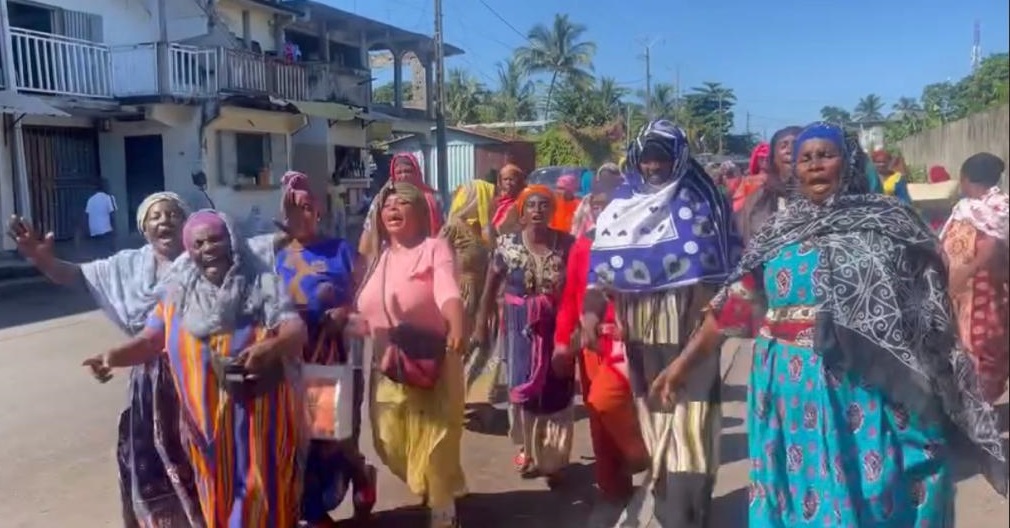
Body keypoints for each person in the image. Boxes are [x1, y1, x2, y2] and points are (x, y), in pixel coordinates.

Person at [656, 123, 1008, 527]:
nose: (815, 165)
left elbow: (928, 311)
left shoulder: (891, 224)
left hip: (869, 390)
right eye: (806, 158)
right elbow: (733, 307)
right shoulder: (777, 233)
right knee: (799, 494)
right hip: (789, 390)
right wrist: (680, 366)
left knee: (883, 491)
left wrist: (939, 386)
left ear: (850, 161)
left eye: (826, 155)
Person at [83, 209, 309, 528]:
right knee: (216, 493)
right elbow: (150, 341)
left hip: (261, 418)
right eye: (199, 243)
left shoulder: (261, 283)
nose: (208, 248)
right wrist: (111, 357)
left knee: (260, 491)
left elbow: (295, 330)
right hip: (204, 424)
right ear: (189, 250)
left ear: (231, 242)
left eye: (216, 239)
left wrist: (271, 347)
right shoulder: (176, 295)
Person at [7, 194, 201, 527]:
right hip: (149, 382)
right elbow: (75, 275)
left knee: (199, 459)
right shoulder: (126, 266)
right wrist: (42, 260)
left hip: (198, 377)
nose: (165, 221)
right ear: (144, 227)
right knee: (150, 459)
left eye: (173, 214)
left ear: (186, 224)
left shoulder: (206, 261)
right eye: (155, 216)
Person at [583, 120, 738, 527]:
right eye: (647, 157)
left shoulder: (703, 201)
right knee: (658, 440)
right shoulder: (621, 204)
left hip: (692, 345)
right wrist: (589, 313)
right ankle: (675, 515)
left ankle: (686, 516)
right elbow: (600, 271)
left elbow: (719, 282)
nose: (653, 165)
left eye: (662, 156)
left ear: (679, 157)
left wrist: (694, 349)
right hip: (640, 345)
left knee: (691, 443)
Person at [351, 181, 467, 528]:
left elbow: (447, 289)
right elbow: (363, 310)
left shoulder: (435, 248)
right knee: (388, 443)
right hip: (387, 368)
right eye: (387, 205)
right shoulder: (377, 258)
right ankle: (433, 484)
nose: (393, 209)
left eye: (403, 203)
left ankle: (443, 509)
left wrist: (456, 320)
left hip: (434, 362)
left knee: (436, 442)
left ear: (420, 212)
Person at [271, 172, 377, 527]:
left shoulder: (339, 251)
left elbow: (368, 296)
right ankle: (311, 511)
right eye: (291, 208)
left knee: (332, 435)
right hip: (287, 362)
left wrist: (346, 310)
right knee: (296, 439)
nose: (300, 215)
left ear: (318, 211)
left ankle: (360, 475)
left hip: (328, 356)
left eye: (306, 206)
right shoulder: (271, 257)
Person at [473, 184, 576, 486]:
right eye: (531, 205)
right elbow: (491, 284)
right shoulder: (506, 245)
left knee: (557, 388)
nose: (537, 211)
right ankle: (528, 450)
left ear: (552, 211)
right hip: (520, 329)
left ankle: (553, 456)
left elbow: (578, 288)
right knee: (524, 389)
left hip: (557, 326)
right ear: (522, 210)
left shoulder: (567, 244)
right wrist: (481, 321)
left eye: (544, 205)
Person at [554, 183, 647, 504]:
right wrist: (562, 341)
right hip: (593, 342)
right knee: (598, 413)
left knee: (626, 406)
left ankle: (642, 457)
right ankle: (612, 486)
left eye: (608, 204)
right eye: (595, 204)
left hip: (632, 340)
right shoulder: (583, 246)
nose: (600, 210)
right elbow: (571, 298)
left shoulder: (641, 242)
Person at [941, 152, 1010, 403]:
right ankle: (976, 412)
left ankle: (982, 413)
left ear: (964, 178)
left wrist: (963, 274)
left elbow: (992, 246)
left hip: (987, 296)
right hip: (962, 298)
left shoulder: (994, 210)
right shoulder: (966, 209)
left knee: (984, 354)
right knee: (969, 354)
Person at [439, 180, 497, 394]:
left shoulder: (482, 228)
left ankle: (472, 396)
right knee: (457, 346)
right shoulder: (453, 227)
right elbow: (437, 260)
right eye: (488, 197)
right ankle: (450, 395)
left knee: (479, 347)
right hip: (462, 293)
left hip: (481, 293)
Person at [359, 153, 442, 258]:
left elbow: (443, 230)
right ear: (394, 175)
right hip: (393, 256)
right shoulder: (383, 200)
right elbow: (369, 230)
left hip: (428, 255)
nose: (404, 175)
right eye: (399, 172)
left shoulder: (433, 199)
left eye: (408, 171)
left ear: (417, 172)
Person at [736, 126, 803, 244]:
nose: (790, 150)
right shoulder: (760, 197)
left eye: (796, 144)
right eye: (784, 146)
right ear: (773, 157)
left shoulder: (820, 194)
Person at [570, 163, 623, 238]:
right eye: (604, 179)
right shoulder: (588, 201)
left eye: (610, 179)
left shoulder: (623, 202)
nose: (607, 183)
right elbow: (577, 227)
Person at [490, 163, 527, 239]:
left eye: (511, 179)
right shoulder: (496, 201)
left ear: (519, 182)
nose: (508, 183)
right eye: (505, 179)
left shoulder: (523, 202)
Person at [84, 179, 118, 256]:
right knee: (109, 253)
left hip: (94, 231)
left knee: (98, 253)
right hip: (106, 230)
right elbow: (112, 215)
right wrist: (115, 230)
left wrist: (88, 231)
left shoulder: (90, 199)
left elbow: (86, 216)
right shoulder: (109, 198)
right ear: (105, 187)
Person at [732, 144, 770, 212]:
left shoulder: (779, 181)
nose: (765, 161)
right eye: (762, 158)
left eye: (767, 159)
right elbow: (737, 206)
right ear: (757, 160)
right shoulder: (748, 181)